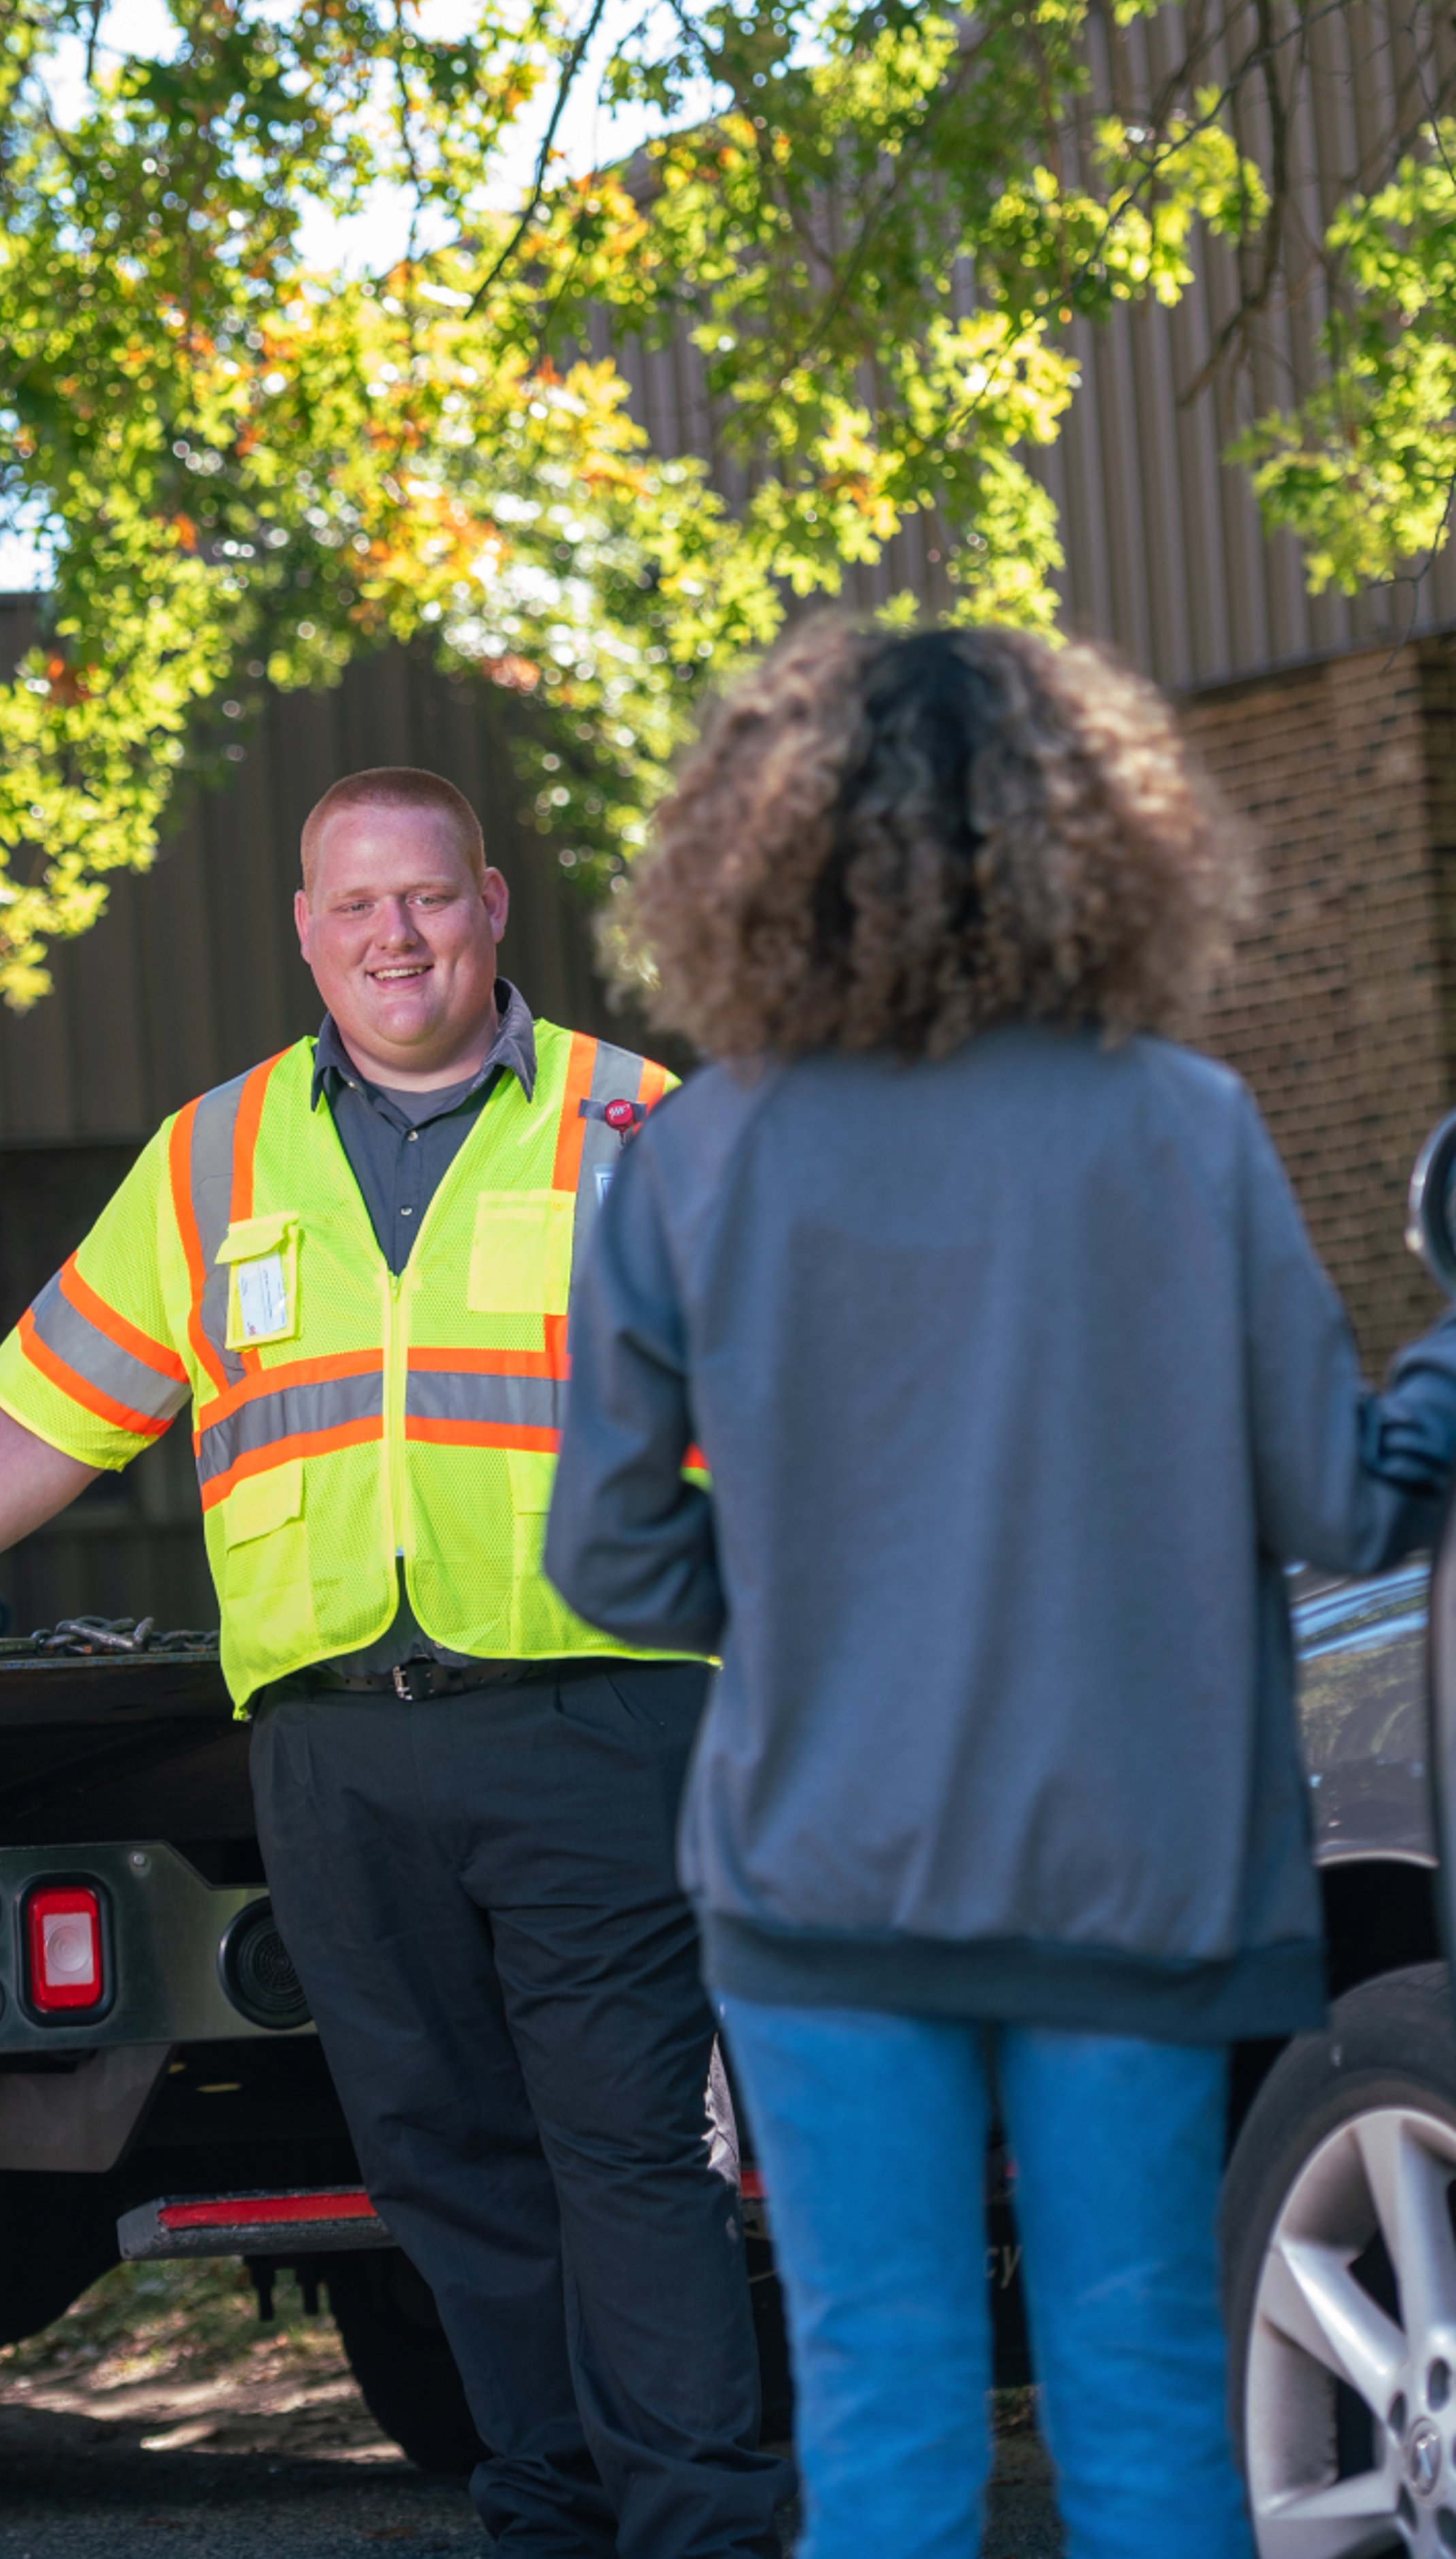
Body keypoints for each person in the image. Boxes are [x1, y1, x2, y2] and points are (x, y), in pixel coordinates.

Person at [0, 764, 789, 2559]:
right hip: (333, 1750)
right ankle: (552, 2517)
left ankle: (709, 2535)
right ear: (304, 928)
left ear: (492, 904)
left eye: (426, 896)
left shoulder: (640, 1131)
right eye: (355, 902)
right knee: (445, 2164)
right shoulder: (214, 1157)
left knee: (633, 2160)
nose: (394, 932)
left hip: (597, 1720)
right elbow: (39, 1422)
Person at [544, 619, 1456, 2559]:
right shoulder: (1181, 1125)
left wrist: (802, 1588)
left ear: (755, 857)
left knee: (884, 2417)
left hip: (819, 1873)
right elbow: (1342, 1500)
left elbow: (604, 1557)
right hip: (1131, 1868)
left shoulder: (692, 1159)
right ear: (1100, 842)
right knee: (1140, 2402)